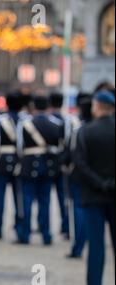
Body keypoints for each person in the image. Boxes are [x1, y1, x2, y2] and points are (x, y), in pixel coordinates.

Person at [75, 91, 115, 285]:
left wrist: (100, 183)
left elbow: (81, 164)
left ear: (96, 107)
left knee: (96, 245)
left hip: (93, 194)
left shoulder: (85, 131)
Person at [16, 95, 63, 245]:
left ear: (34, 107)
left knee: (27, 201)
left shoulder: (25, 123)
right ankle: (46, 235)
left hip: (29, 165)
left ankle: (25, 235)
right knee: (45, 202)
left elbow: (19, 147)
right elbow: (60, 147)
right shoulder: (55, 124)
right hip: (47, 165)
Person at [0, 92, 24, 239]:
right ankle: (20, 229)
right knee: (19, 198)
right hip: (20, 161)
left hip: (2, 160)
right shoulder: (26, 120)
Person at [66, 93, 93, 258]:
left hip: (80, 176)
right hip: (100, 179)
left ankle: (78, 246)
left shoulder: (79, 131)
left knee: (79, 211)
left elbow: (72, 155)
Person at [48, 93, 70, 239]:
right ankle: (66, 226)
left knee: (45, 197)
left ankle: (44, 225)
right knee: (63, 197)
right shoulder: (66, 121)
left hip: (47, 161)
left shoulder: (50, 120)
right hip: (61, 163)